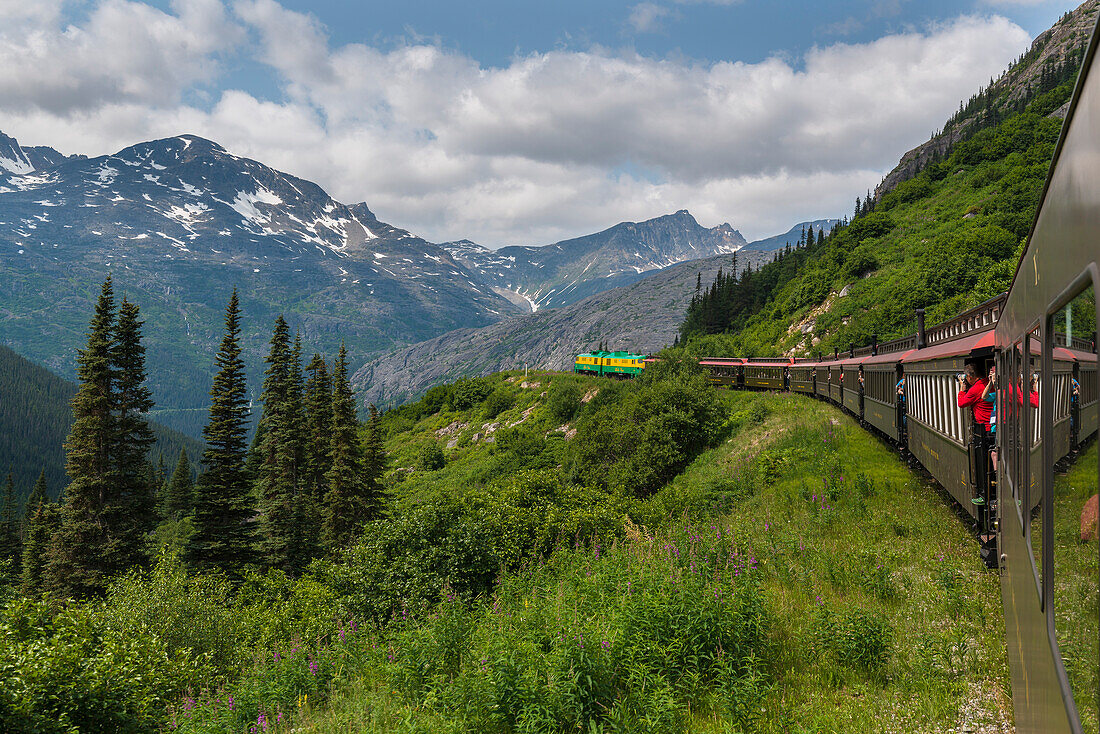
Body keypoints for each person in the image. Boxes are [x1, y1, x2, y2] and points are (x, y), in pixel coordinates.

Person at [957, 363, 992, 431]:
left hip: (985, 427)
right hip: (997, 424)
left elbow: (961, 403)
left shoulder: (975, 389)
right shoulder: (989, 383)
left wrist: (962, 388)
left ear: (969, 377)